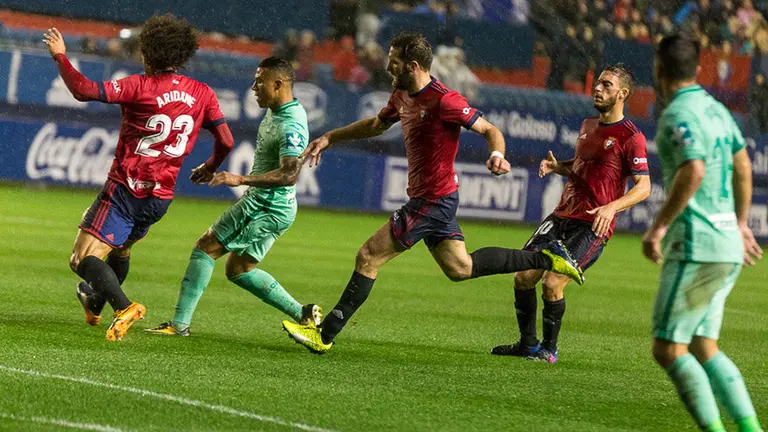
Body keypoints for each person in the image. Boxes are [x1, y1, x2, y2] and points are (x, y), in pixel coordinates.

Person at [281, 31, 584, 354]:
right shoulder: (401, 94)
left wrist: (497, 154)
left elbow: (489, 130)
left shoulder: (445, 100)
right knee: (460, 268)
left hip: (432, 200)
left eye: (394, 63)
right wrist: (330, 137)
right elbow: (375, 125)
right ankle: (547, 257)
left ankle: (324, 334)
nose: (388, 68)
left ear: (412, 65)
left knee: (368, 256)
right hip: (435, 198)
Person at [42, 15, 235, 341]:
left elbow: (83, 90)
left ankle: (124, 307)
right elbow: (226, 140)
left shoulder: (139, 86)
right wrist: (210, 167)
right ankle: (95, 302)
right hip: (159, 199)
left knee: (82, 258)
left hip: (125, 190)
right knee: (121, 252)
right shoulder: (203, 94)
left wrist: (60, 55)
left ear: (148, 53)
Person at [146, 57, 322, 336]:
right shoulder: (280, 110)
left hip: (266, 203)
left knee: (205, 247)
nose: (253, 87)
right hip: (277, 206)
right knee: (239, 269)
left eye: (259, 81)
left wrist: (239, 179)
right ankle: (302, 313)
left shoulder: (291, 124)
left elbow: (290, 174)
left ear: (278, 84)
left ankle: (179, 325)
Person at [492, 63, 652, 363]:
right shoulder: (588, 125)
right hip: (562, 215)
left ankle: (549, 351)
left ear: (623, 94)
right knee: (523, 276)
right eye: (598, 84)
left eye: (606, 85)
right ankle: (527, 344)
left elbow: (644, 187)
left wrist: (612, 206)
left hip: (592, 224)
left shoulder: (632, 137)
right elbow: (582, 166)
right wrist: (558, 167)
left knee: (553, 283)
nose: (598, 89)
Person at [644, 34, 763, 432]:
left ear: (659, 68)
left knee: (667, 348)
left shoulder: (677, 114)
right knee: (703, 345)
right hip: (727, 243)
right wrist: (741, 223)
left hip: (697, 245)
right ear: (697, 68)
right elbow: (743, 166)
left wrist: (658, 227)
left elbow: (693, 169)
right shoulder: (716, 110)